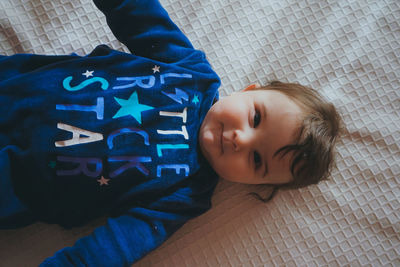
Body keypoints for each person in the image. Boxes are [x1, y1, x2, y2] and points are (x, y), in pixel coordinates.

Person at [0, 0, 341, 266]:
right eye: (255, 118)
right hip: (15, 91)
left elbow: (117, 245)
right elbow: (139, 16)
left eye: (255, 159)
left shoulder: (186, 195)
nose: (241, 139)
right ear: (248, 89)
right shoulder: (191, 72)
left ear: (251, 183)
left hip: (17, 184)